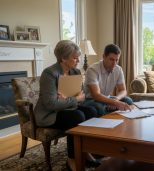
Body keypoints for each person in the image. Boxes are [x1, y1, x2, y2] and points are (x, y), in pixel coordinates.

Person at [34, 40, 100, 170]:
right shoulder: (49, 74)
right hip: (50, 114)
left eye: (78, 57)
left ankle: (85, 151)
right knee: (77, 116)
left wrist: (69, 99)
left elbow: (82, 95)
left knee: (92, 111)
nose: (78, 61)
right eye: (75, 58)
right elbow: (51, 104)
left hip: (66, 107)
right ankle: (72, 158)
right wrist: (74, 99)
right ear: (63, 58)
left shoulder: (75, 72)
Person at [83, 44, 133, 115]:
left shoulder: (118, 69)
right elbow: (96, 95)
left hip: (107, 98)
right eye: (111, 59)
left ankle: (118, 120)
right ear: (103, 56)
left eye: (117, 60)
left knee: (128, 100)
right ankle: (108, 120)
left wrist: (116, 99)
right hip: (91, 100)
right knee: (99, 107)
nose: (114, 63)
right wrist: (114, 102)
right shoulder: (92, 70)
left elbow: (123, 90)